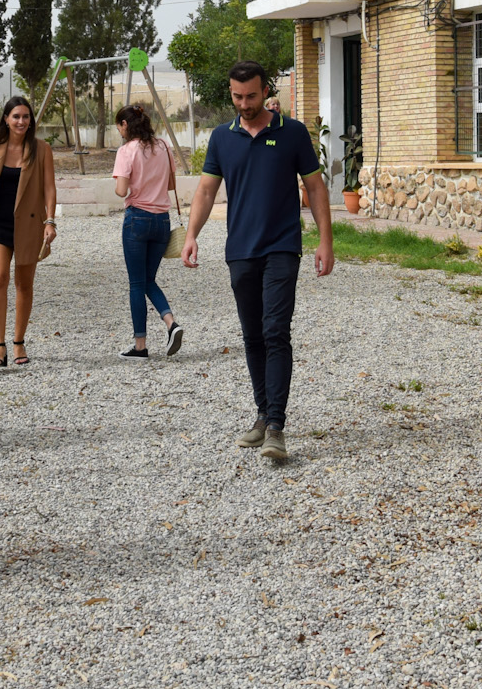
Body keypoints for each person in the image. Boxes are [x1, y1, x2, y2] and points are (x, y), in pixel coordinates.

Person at [182, 60, 334, 464]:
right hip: (240, 251)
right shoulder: (221, 138)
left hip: (283, 246)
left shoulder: (293, 132)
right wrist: (192, 235)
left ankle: (276, 427)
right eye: (236, 96)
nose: (244, 104)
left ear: (265, 90)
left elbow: (315, 188)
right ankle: (263, 414)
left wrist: (325, 241)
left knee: (275, 330)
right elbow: (205, 191)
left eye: (251, 96)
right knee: (252, 336)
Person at [0, 96, 58, 368]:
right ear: (6, 119)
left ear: (31, 121)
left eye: (26, 116)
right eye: (16, 116)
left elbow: (49, 187)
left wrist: (50, 221)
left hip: (29, 224)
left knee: (24, 284)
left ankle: (18, 342)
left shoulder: (42, 149)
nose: (21, 121)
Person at [112, 104, 183, 360]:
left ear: (124, 125)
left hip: (137, 219)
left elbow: (121, 190)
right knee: (148, 280)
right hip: (161, 221)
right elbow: (172, 184)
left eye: (118, 126)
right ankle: (171, 323)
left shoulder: (126, 150)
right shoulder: (163, 146)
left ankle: (140, 346)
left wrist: (130, 182)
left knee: (136, 284)